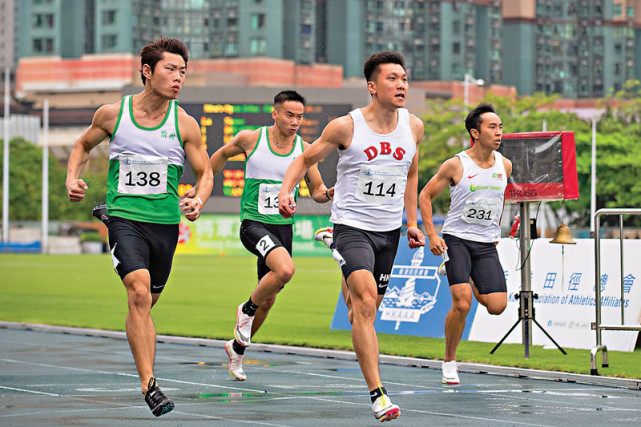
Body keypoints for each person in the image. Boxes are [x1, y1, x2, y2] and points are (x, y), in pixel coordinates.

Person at [65, 37, 213, 417]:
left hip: (164, 225)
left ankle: (142, 353)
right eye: (170, 69)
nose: (178, 77)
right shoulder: (113, 114)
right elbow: (82, 146)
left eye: (183, 71)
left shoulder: (185, 123)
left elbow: (205, 173)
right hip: (123, 217)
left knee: (146, 304)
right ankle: (150, 384)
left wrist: (198, 199)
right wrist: (72, 178)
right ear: (147, 71)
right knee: (139, 294)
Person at [278, 51, 424, 423]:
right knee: (364, 304)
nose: (401, 84)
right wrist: (286, 191)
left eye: (404, 78)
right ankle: (378, 394)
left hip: (389, 232)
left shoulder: (415, 127)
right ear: (372, 86)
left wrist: (411, 222)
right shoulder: (346, 126)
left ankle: (341, 263)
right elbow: (304, 160)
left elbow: (410, 174)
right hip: (352, 226)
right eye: (392, 78)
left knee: (365, 302)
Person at [186, 90, 332, 381]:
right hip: (253, 223)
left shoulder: (305, 149)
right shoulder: (251, 139)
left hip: (282, 227)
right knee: (286, 269)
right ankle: (246, 309)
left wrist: (329, 193)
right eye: (289, 115)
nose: (295, 121)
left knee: (270, 300)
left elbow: (316, 191)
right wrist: (201, 185)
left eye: (300, 116)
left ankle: (237, 348)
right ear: (275, 113)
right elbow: (220, 155)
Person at [418, 103, 512, 385]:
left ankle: (463, 272)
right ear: (475, 132)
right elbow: (425, 196)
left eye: (500, 127)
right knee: (462, 304)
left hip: (485, 244)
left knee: (496, 306)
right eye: (492, 127)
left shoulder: (505, 165)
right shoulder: (456, 164)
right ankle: (449, 360)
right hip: (457, 239)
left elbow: (499, 199)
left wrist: (494, 229)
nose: (498, 133)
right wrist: (433, 235)